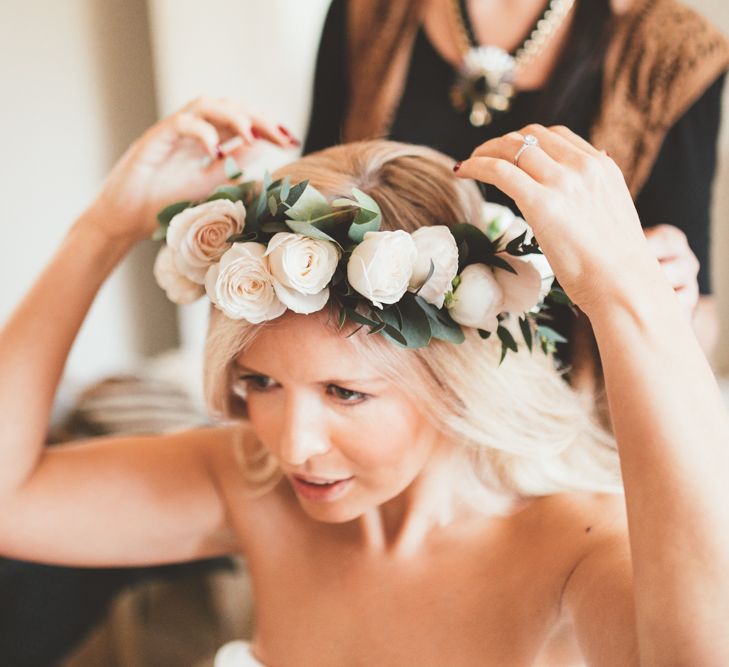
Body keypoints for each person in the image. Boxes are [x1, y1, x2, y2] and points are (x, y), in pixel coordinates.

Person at [0, 97, 728, 666]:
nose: (293, 443)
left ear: (455, 378)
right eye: (259, 381)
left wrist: (632, 310)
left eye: (345, 392)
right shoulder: (251, 484)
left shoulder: (577, 548)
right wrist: (102, 230)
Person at [304, 0, 729, 375]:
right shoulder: (369, 10)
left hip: (559, 422)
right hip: (372, 388)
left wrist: (665, 298)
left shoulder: (675, 52)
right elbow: (311, 212)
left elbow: (699, 331)